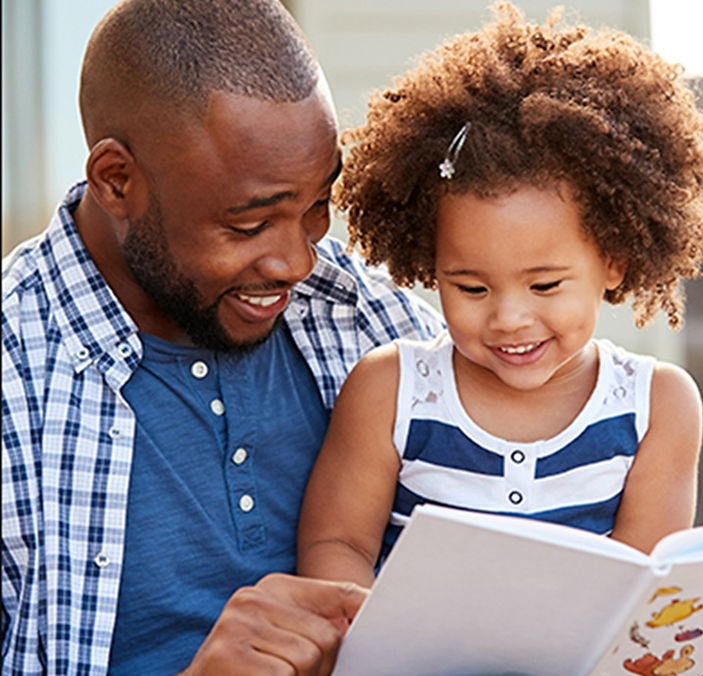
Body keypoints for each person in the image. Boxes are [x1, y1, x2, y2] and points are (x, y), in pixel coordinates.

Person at [1, 0, 442, 673]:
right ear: (117, 181)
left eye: (317, 205)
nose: (297, 262)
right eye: (247, 226)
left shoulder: (374, 323)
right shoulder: (16, 373)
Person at [296, 2, 703, 589]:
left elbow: (639, 593)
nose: (508, 317)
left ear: (615, 259)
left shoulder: (657, 407)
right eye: (471, 287)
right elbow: (338, 544)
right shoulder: (391, 392)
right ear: (432, 266)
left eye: (545, 285)